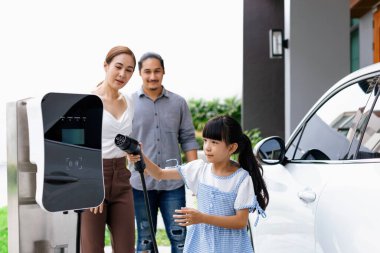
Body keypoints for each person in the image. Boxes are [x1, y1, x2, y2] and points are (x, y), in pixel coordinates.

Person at [129, 115, 269, 253]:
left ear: (232, 148)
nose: (207, 147)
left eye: (214, 142)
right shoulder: (199, 169)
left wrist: (202, 218)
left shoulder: (241, 179)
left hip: (231, 246)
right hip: (202, 244)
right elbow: (159, 174)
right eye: (205, 140)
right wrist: (140, 154)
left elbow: (240, 222)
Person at [129, 52, 199, 253]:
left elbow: (188, 139)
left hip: (173, 185)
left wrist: (193, 176)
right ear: (140, 74)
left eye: (157, 71)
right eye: (147, 72)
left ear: (164, 72)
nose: (152, 76)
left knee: (180, 239)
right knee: (145, 241)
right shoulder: (129, 103)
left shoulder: (178, 103)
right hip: (140, 183)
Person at [80, 45, 136, 253]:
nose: (123, 74)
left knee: (126, 248)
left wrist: (131, 150)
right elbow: (78, 147)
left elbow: (120, 137)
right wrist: (90, 184)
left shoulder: (130, 102)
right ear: (106, 65)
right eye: (118, 67)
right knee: (92, 249)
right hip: (94, 176)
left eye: (129, 70)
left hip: (122, 177)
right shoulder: (87, 102)